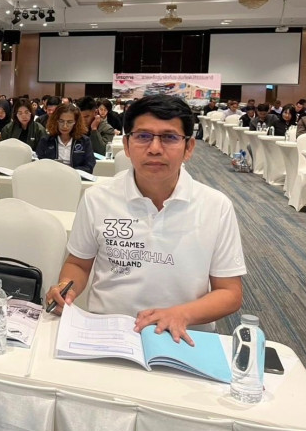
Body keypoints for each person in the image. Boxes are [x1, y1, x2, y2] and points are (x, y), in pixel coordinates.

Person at [46, 95, 245, 345]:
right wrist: (66, 286)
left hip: (184, 337)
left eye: (169, 137)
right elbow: (79, 264)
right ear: (127, 145)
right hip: (107, 332)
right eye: (143, 136)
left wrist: (181, 314)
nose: (155, 148)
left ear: (189, 147)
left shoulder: (216, 206)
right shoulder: (97, 198)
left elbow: (229, 292)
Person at [35, 104, 96, 173]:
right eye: (61, 121)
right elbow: (39, 164)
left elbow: (89, 166)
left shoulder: (84, 141)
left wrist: (70, 171)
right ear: (56, 121)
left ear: (75, 122)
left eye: (69, 122)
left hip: (76, 177)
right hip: (51, 176)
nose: (65, 126)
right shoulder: (46, 140)